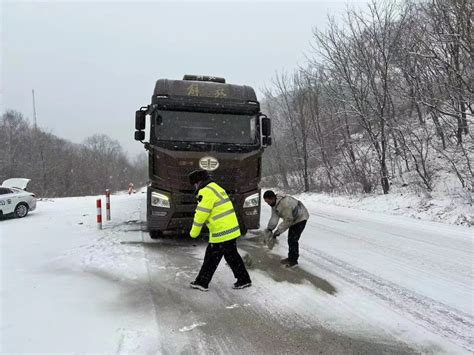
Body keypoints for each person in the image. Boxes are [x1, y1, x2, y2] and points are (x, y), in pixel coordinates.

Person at [188, 169, 252, 292]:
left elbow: (201, 214)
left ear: (199, 181)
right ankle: (244, 279)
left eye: (194, 184)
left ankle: (202, 282)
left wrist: (194, 232)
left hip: (221, 231)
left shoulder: (206, 191)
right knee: (231, 256)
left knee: (211, 258)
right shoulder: (215, 187)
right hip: (230, 228)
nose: (195, 186)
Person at [263, 190, 309, 267]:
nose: (268, 204)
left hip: (301, 217)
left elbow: (288, 220)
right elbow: (274, 217)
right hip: (293, 218)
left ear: (272, 198)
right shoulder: (274, 204)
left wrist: (278, 231)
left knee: (293, 239)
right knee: (290, 239)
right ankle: (291, 258)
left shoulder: (284, 204)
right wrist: (270, 229)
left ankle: (293, 261)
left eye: (268, 202)